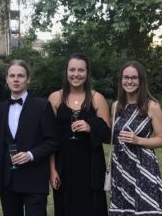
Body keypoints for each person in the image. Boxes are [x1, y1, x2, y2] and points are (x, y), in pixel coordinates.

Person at [0, 59, 58, 216]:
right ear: (6, 79)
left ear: (28, 80)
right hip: (8, 179)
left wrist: (30, 155)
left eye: (20, 76)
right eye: (12, 75)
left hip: (34, 178)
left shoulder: (42, 106)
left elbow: (52, 141)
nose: (15, 79)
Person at [48, 53, 111, 216]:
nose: (76, 74)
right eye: (72, 70)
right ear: (66, 72)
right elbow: (50, 139)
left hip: (91, 167)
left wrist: (91, 128)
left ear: (87, 73)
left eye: (81, 70)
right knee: (65, 208)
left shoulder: (97, 98)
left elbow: (108, 134)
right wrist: (52, 170)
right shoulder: (55, 98)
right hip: (64, 166)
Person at [109, 60, 162, 215]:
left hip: (143, 166)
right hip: (120, 166)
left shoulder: (152, 106)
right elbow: (113, 136)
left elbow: (161, 140)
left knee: (145, 209)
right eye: (126, 77)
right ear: (121, 80)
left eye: (134, 77)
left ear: (141, 80)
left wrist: (138, 140)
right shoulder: (116, 106)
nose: (129, 81)